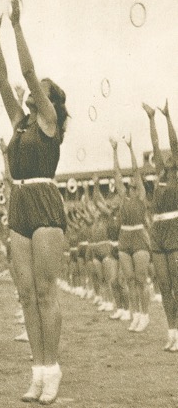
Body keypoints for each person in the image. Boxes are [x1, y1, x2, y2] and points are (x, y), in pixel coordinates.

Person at [0, 0, 68, 404]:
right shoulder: (19, 122)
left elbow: (27, 71)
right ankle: (37, 370)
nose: (38, 88)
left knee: (45, 291)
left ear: (51, 99)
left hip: (45, 203)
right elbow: (4, 81)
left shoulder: (49, 122)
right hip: (19, 203)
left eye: (44, 89)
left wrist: (17, 25)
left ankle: (52, 368)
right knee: (26, 293)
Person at [143, 102, 178, 349]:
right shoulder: (159, 174)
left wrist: (167, 118)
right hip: (157, 234)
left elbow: (173, 145)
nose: (165, 156)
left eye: (170, 157)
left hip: (175, 230)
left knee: (177, 284)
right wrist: (151, 118)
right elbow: (155, 144)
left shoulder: (177, 173)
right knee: (164, 286)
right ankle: (172, 332)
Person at [111, 135, 151, 333]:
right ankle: (135, 315)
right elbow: (117, 173)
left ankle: (145, 315)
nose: (131, 186)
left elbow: (135, 171)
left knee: (141, 279)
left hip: (139, 237)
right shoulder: (123, 198)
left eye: (134, 185)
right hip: (125, 238)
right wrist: (115, 150)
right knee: (130, 280)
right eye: (130, 185)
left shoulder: (142, 196)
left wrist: (130, 147)